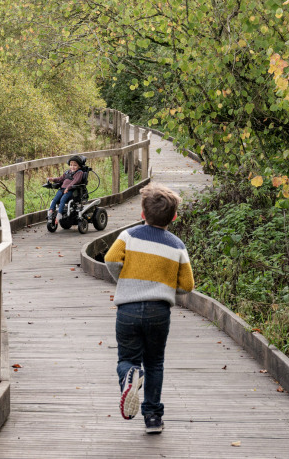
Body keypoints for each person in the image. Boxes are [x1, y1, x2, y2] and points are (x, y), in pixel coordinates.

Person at [104, 182, 194, 434]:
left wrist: (125, 281)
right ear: (174, 217)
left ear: (142, 213)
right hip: (158, 312)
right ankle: (153, 417)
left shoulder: (129, 236)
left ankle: (131, 374)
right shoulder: (177, 245)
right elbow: (187, 285)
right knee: (154, 363)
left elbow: (111, 258)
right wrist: (165, 287)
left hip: (128, 309)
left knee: (127, 359)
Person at [47, 155, 85, 223]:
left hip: (71, 190)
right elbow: (61, 178)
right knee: (55, 199)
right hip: (62, 189)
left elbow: (75, 181)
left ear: (79, 166)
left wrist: (68, 188)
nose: (72, 167)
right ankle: (51, 211)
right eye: (71, 165)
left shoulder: (79, 173)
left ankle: (59, 214)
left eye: (75, 165)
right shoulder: (68, 172)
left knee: (62, 200)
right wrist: (53, 179)